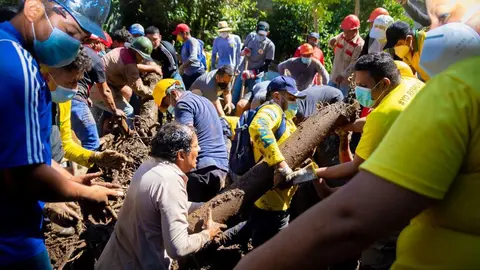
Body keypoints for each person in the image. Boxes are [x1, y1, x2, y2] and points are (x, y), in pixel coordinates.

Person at [233, 1, 480, 269]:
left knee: (375, 253)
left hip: (428, 252)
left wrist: (314, 173)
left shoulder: (450, 98)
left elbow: (351, 211)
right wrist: (348, 130)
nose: (359, 91)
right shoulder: (411, 83)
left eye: (363, 86)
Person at [0, 0, 123, 268]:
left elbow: (27, 153)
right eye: (68, 32)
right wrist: (82, 194)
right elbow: (24, 175)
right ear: (33, 9)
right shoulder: (20, 69)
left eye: (79, 39)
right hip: (11, 238)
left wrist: (73, 180)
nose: (71, 45)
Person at [96, 123, 226, 270]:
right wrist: (207, 235)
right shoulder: (170, 181)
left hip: (112, 261)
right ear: (181, 155)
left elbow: (167, 206)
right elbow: (178, 248)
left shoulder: (148, 166)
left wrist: (205, 205)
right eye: (196, 146)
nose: (199, 149)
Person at [243, 76, 306, 247]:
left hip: (278, 202)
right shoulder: (273, 109)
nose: (295, 103)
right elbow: (258, 127)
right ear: (277, 96)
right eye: (291, 98)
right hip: (270, 204)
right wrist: (281, 165)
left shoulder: (286, 119)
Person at [153, 79, 229, 202]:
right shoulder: (205, 101)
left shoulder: (183, 104)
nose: (170, 108)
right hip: (220, 167)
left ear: (172, 93)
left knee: (189, 213)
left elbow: (186, 137)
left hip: (202, 169)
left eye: (167, 103)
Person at [90, 36, 155, 129]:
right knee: (128, 111)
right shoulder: (130, 65)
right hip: (102, 91)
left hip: (95, 88)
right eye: (142, 56)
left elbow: (131, 67)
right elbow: (139, 89)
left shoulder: (121, 50)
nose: (143, 59)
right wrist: (153, 94)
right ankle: (130, 140)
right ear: (136, 52)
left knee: (95, 122)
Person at [232, 21, 275, 105]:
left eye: (263, 34)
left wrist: (253, 72)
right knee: (236, 93)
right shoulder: (251, 37)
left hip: (256, 75)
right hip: (244, 69)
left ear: (268, 33)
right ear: (256, 30)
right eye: (259, 34)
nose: (261, 36)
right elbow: (242, 50)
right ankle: (231, 111)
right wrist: (244, 51)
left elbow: (266, 66)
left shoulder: (270, 45)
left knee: (254, 97)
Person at [328, 14, 364, 97]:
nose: (345, 33)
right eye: (344, 30)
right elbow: (331, 43)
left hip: (345, 81)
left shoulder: (359, 44)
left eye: (348, 31)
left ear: (355, 31)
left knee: (341, 101)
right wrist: (331, 41)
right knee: (327, 97)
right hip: (334, 76)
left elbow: (354, 63)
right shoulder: (342, 36)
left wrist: (343, 75)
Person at [174, 23, 206, 89]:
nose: (177, 36)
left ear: (185, 33)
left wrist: (182, 67)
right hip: (188, 74)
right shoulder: (185, 43)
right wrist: (175, 54)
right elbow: (184, 59)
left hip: (196, 74)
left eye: (179, 34)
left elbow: (193, 57)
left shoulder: (192, 41)